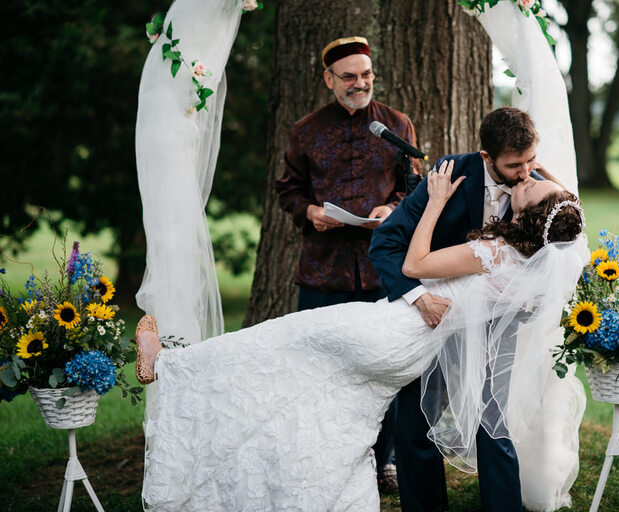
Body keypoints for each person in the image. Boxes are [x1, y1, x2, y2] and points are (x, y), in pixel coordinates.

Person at [136, 158, 588, 511]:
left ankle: (171, 366)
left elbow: (414, 266)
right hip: (405, 347)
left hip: (389, 333)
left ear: (531, 214)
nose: (527, 176)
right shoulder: (536, 265)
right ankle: (331, 494)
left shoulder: (493, 253)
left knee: (278, 340)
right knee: (322, 404)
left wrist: (433, 204)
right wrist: (543, 184)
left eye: (531, 183)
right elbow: (558, 213)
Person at [369, 107, 568, 512]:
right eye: (515, 165)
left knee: (493, 421)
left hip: (498, 319)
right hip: (435, 316)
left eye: (532, 160)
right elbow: (385, 244)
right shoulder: (444, 177)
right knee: (416, 421)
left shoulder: (535, 181)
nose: (526, 173)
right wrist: (418, 298)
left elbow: (568, 222)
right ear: (485, 157)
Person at [274, 36, 421, 490]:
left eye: (366, 75)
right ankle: (327, 461)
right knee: (321, 371)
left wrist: (394, 207)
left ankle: (386, 461)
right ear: (329, 79)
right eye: (349, 77)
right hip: (324, 270)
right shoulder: (305, 130)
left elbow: (413, 184)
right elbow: (289, 190)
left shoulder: (397, 125)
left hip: (384, 270)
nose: (360, 84)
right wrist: (311, 212)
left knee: (387, 368)